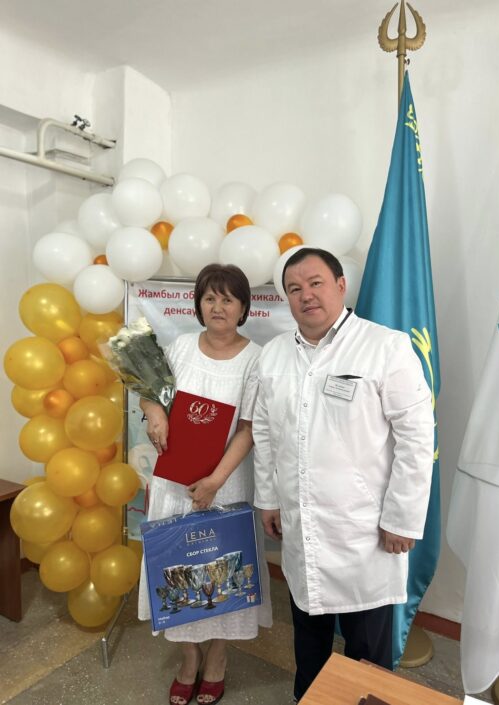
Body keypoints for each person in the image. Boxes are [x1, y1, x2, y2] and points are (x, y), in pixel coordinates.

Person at [252, 248, 434, 702]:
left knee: (366, 656)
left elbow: (416, 437)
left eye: (315, 283)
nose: (306, 295)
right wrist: (268, 498)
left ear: (340, 285)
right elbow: (264, 432)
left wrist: (402, 519)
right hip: (301, 526)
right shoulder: (273, 355)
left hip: (364, 535)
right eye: (294, 289)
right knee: (308, 642)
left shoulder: (385, 347)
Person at [137, 263, 272, 705]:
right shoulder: (180, 347)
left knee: (220, 569)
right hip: (175, 481)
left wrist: (216, 480)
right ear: (198, 305)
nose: (218, 307)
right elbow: (151, 392)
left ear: (243, 308)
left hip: (226, 483)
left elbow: (249, 428)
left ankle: (217, 654)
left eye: (227, 299)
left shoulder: (257, 358)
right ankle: (189, 656)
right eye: (209, 298)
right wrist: (154, 414)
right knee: (178, 566)